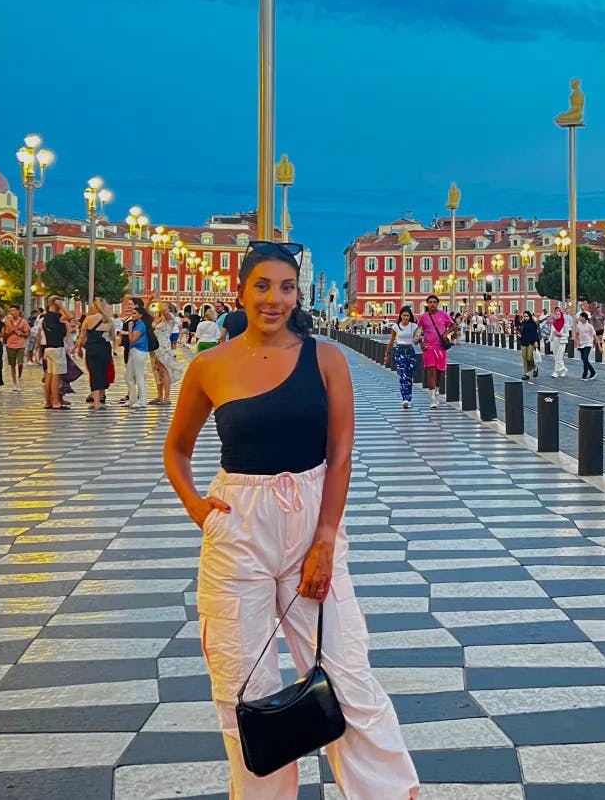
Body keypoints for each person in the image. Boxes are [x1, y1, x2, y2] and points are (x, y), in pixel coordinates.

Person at [162, 241, 419, 799]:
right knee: (243, 690)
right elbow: (176, 450)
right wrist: (199, 510)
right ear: (241, 291)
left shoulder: (325, 357)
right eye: (262, 286)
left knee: (348, 677)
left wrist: (325, 537)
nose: (273, 299)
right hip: (238, 530)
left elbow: (341, 453)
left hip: (309, 521)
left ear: (298, 294)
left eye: (285, 287)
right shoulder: (210, 366)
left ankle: (389, 793)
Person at [416, 294, 455, 408]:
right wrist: (421, 344)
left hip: (441, 348)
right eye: (430, 302)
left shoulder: (443, 315)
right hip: (429, 348)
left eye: (434, 302)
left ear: (437, 303)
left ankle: (437, 390)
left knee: (440, 372)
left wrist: (446, 334)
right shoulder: (423, 317)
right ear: (427, 304)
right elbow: (419, 333)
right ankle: (432, 397)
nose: (432, 304)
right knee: (430, 371)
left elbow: (453, 326)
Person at [78, 300, 114, 407]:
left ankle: (96, 402)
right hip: (105, 349)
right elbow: (112, 336)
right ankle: (102, 397)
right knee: (103, 373)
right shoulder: (109, 320)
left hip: (92, 348)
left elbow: (82, 336)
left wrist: (79, 348)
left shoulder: (89, 319)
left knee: (94, 374)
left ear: (95, 306)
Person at [382, 306, 419, 408]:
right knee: (402, 375)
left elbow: (417, 339)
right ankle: (405, 398)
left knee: (409, 376)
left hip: (410, 351)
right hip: (399, 351)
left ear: (410, 316)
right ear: (400, 316)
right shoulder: (395, 327)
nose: (405, 317)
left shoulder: (414, 326)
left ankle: (409, 398)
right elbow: (391, 340)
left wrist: (422, 344)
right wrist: (387, 354)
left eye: (407, 315)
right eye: (404, 315)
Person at [41, 296, 71, 410]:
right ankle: (55, 401)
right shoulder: (56, 316)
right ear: (56, 303)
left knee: (49, 374)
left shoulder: (45, 317)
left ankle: (47, 401)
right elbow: (70, 316)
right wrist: (61, 306)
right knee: (56, 376)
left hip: (48, 348)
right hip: (57, 348)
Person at [152, 303, 185, 405]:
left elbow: (167, 314)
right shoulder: (159, 318)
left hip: (163, 345)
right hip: (155, 346)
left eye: (164, 306)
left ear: (169, 308)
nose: (161, 307)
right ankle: (159, 396)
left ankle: (166, 398)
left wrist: (164, 310)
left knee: (164, 369)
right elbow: (146, 314)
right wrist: (150, 300)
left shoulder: (170, 317)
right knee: (156, 370)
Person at [125, 305, 151, 409]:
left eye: (135, 313)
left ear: (140, 315)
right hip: (134, 351)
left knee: (139, 376)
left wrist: (130, 328)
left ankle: (142, 401)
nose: (133, 315)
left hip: (140, 351)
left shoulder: (140, 325)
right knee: (128, 376)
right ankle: (132, 399)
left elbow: (132, 339)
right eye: (132, 313)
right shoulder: (137, 324)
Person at [2, 306, 30, 391]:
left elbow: (27, 334)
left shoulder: (23, 321)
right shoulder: (7, 322)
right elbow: (5, 334)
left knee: (20, 363)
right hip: (10, 345)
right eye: (10, 310)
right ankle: (14, 383)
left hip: (20, 345)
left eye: (13, 310)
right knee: (12, 365)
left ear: (18, 311)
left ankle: (20, 376)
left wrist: (20, 333)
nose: (12, 312)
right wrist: (11, 330)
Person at [518, 310, 540, 380]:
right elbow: (520, 331)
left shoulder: (533, 324)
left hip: (531, 342)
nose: (525, 317)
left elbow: (535, 333)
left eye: (527, 316)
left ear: (529, 316)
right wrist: (519, 335)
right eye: (524, 316)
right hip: (523, 342)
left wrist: (536, 342)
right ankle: (526, 373)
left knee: (529, 357)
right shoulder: (522, 324)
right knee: (524, 358)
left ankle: (535, 367)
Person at [548, 307, 569, 378]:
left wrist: (561, 334)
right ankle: (563, 370)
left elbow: (568, 335)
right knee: (556, 357)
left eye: (558, 314)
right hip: (555, 341)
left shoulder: (565, 325)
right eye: (556, 314)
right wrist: (549, 340)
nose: (557, 315)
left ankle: (556, 371)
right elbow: (552, 334)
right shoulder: (553, 324)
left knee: (559, 357)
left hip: (562, 342)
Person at [576, 311, 597, 380]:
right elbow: (577, 334)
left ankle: (585, 374)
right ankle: (593, 372)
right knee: (584, 359)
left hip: (588, 343)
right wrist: (578, 342)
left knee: (585, 358)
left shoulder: (589, 326)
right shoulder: (578, 325)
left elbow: (594, 335)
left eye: (581, 317)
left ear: (584, 318)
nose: (579, 318)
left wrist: (599, 346)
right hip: (581, 344)